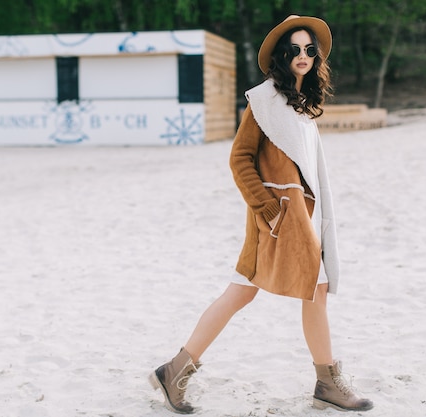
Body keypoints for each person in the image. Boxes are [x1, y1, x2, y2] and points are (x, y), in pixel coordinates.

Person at [149, 15, 374, 414]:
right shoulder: (265, 101)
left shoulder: (302, 105)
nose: (302, 55)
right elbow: (240, 159)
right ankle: (325, 381)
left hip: (298, 217)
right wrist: (267, 208)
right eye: (294, 49)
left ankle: (176, 369)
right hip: (276, 219)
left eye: (309, 49)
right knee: (284, 290)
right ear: (280, 55)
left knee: (264, 291)